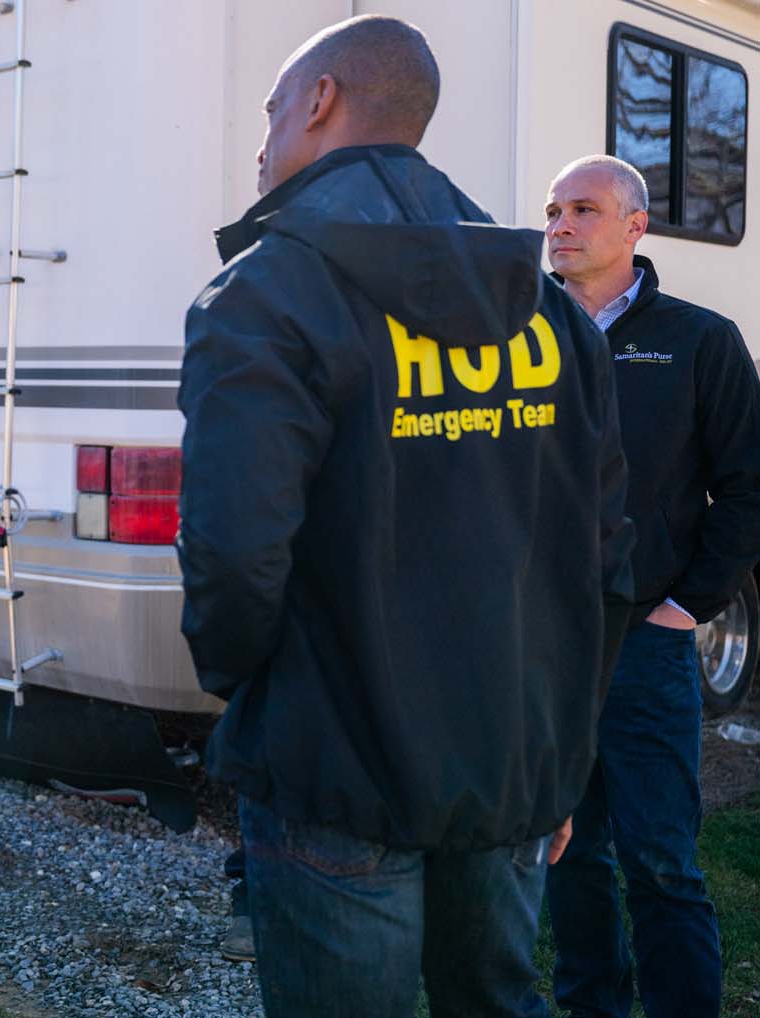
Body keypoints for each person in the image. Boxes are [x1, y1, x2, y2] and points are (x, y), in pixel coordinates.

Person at [177, 16, 634, 1018]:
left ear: (322, 101)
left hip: (336, 767)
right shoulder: (551, 310)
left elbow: (233, 556)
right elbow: (603, 555)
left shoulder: (262, 296)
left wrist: (245, 694)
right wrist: (561, 746)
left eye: (270, 113)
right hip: (513, 760)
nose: (260, 144)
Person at [543, 154, 760, 1018]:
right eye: (552, 210)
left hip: (644, 643)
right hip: (543, 647)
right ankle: (593, 1005)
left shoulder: (698, 339)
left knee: (660, 860)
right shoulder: (516, 336)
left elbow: (746, 486)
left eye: (582, 210)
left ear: (634, 228)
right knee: (567, 853)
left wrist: (687, 608)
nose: (558, 225)